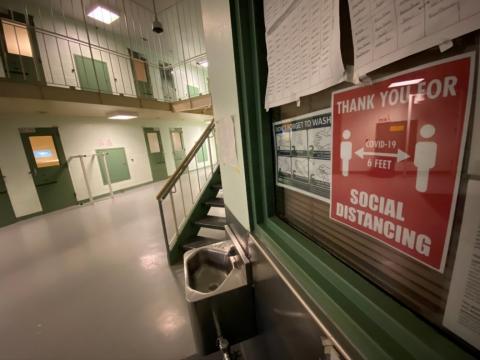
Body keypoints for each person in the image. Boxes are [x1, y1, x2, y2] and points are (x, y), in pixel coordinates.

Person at [414, 124, 437, 192]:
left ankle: (422, 189)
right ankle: (420, 188)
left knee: (423, 178)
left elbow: (431, 155)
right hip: (421, 164)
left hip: (425, 165)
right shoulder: (419, 144)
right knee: (421, 178)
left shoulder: (433, 145)